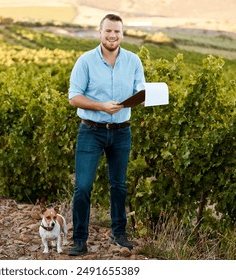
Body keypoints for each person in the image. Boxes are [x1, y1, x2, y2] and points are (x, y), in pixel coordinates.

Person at [68, 14, 146, 256]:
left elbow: (141, 90)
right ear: (100, 32)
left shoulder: (133, 61)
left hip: (122, 132)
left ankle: (118, 233)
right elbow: (74, 97)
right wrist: (102, 106)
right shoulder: (85, 61)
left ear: (123, 34)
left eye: (117, 32)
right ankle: (79, 239)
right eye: (108, 31)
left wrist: (145, 97)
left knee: (119, 186)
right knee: (82, 187)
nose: (112, 36)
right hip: (91, 130)